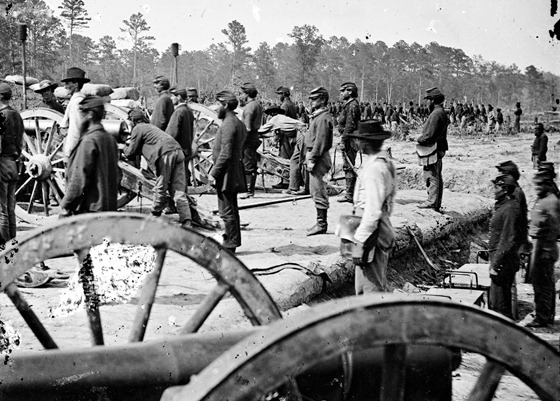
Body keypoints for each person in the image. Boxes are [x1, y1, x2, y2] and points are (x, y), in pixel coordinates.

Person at [348, 120, 396, 294]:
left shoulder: (375, 169)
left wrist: (360, 239)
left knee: (370, 286)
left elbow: (373, 209)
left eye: (359, 140)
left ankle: (374, 320)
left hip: (370, 229)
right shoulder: (384, 163)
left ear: (366, 142)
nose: (357, 143)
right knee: (364, 283)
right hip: (375, 225)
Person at [124, 109, 192, 228]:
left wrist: (121, 146)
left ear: (133, 121)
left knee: (161, 185)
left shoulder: (138, 128)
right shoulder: (150, 127)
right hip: (178, 151)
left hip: (165, 153)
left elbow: (130, 153)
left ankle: (155, 214)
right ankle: (187, 220)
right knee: (179, 189)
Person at [59, 95, 119, 216]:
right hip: (108, 208)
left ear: (90, 114)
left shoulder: (89, 141)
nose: (80, 117)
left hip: (90, 209)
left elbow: (79, 178)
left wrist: (66, 204)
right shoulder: (110, 139)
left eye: (82, 112)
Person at [208, 91, 247, 253]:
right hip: (232, 170)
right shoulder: (236, 122)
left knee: (226, 210)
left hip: (227, 172)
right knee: (231, 207)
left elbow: (226, 152)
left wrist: (213, 173)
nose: (216, 108)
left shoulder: (229, 123)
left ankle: (230, 244)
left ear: (225, 105)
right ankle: (232, 240)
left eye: (218, 104)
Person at [527, 169, 560, 327]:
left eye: (540, 184)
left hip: (544, 249)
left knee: (543, 285)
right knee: (542, 283)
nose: (537, 187)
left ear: (547, 184)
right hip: (539, 247)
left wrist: (542, 247)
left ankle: (543, 317)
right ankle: (545, 314)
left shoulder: (551, 201)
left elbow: (554, 228)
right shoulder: (543, 199)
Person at [487, 174, 522, 318]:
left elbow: (507, 239)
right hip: (501, 260)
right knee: (497, 303)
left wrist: (495, 264)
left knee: (500, 306)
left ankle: (505, 336)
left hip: (503, 263)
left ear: (505, 189)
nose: (493, 190)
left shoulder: (509, 209)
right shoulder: (505, 206)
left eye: (496, 187)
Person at [305, 87, 333, 236]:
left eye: (314, 99)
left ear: (322, 100)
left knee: (318, 190)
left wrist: (313, 159)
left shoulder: (323, 118)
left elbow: (320, 142)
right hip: (316, 156)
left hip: (319, 158)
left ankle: (322, 224)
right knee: (314, 190)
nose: (311, 101)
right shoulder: (318, 116)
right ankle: (320, 222)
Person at [416, 87, 448, 212]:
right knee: (436, 175)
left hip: (433, 148)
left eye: (428, 100)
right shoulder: (441, 112)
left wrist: (419, 139)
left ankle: (431, 201)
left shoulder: (436, 114)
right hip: (438, 147)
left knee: (431, 175)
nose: (427, 103)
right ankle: (435, 202)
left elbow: (429, 136)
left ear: (433, 100)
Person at [0, 83, 23, 246]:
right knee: (10, 208)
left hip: (2, 163)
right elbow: (21, 142)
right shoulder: (17, 115)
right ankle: (13, 243)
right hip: (13, 163)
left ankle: (4, 248)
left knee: (2, 210)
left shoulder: (2, 115)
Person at [495, 160, 529, 253]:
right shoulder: (513, 191)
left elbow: (512, 223)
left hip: (513, 243)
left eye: (503, 173)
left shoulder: (515, 193)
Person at [337, 82, 361, 203]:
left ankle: (350, 195)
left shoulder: (352, 105)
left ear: (350, 92)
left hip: (350, 140)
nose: (341, 94)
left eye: (343, 91)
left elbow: (350, 125)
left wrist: (343, 140)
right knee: (348, 166)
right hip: (349, 138)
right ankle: (350, 193)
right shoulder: (350, 105)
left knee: (349, 167)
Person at [167, 87, 195, 186]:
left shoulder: (178, 112)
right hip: (187, 150)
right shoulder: (188, 111)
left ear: (178, 97)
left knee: (177, 180)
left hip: (178, 151)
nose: (171, 98)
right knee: (183, 176)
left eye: (172, 96)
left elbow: (171, 134)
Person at [239, 82, 263, 199]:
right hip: (254, 137)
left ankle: (248, 191)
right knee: (251, 163)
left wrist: (240, 141)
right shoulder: (257, 105)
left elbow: (247, 128)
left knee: (247, 163)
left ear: (246, 94)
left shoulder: (249, 107)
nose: (240, 96)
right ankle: (250, 190)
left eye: (241, 94)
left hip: (248, 139)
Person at [60, 67, 88, 161]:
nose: (65, 86)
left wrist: (68, 153)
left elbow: (75, 130)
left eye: (68, 83)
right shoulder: (81, 100)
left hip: (76, 153)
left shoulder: (76, 103)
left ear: (76, 84)